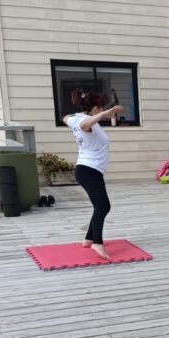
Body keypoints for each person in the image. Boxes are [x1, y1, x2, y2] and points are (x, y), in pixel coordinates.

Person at [63, 90, 122, 260]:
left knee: (100, 206)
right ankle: (97, 242)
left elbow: (65, 117)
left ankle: (89, 238)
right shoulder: (83, 123)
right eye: (101, 108)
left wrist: (103, 115)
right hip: (89, 171)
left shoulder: (75, 118)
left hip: (88, 170)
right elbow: (84, 126)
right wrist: (105, 113)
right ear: (96, 109)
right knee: (103, 206)